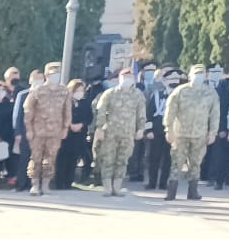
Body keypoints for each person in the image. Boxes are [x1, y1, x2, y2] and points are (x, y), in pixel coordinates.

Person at [162, 62, 219, 201]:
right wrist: (168, 129)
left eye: (201, 74)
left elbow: (215, 114)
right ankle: (171, 192)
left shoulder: (210, 92)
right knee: (177, 163)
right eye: (196, 74)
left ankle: (193, 191)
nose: (198, 76)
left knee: (196, 163)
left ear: (205, 76)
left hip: (200, 135)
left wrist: (213, 132)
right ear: (189, 76)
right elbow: (170, 112)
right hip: (180, 134)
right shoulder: (180, 91)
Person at [91, 68, 147, 196]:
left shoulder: (138, 94)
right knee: (108, 160)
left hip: (128, 134)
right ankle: (107, 187)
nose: (127, 79)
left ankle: (117, 186)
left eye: (129, 77)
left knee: (122, 160)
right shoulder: (110, 94)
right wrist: (100, 128)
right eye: (124, 77)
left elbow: (141, 114)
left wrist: (141, 129)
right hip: (110, 133)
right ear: (119, 79)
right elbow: (101, 112)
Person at [20, 62, 71, 195]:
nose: (56, 76)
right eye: (53, 74)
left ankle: (46, 185)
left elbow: (67, 111)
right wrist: (29, 129)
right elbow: (28, 110)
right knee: (36, 157)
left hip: (55, 131)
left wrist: (65, 127)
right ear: (47, 75)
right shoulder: (38, 91)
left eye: (58, 74)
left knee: (51, 158)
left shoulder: (64, 91)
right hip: (38, 131)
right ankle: (35, 185)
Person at [52, 78, 93, 190]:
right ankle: (59, 182)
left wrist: (81, 125)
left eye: (81, 90)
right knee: (62, 159)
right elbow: (60, 115)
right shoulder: (64, 102)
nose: (79, 92)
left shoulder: (85, 103)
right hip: (65, 135)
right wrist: (69, 125)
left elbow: (89, 117)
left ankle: (68, 182)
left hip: (79, 135)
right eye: (77, 90)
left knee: (73, 159)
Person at [142, 66, 176, 190]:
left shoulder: (179, 95)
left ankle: (163, 183)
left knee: (168, 158)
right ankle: (152, 182)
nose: (173, 81)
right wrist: (149, 130)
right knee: (154, 157)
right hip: (157, 131)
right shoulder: (156, 95)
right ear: (164, 81)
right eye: (170, 79)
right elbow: (149, 114)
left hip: (173, 131)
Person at [204, 65, 229, 189]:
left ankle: (228, 178)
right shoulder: (220, 88)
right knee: (217, 155)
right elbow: (218, 111)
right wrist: (221, 129)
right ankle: (215, 179)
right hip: (219, 126)